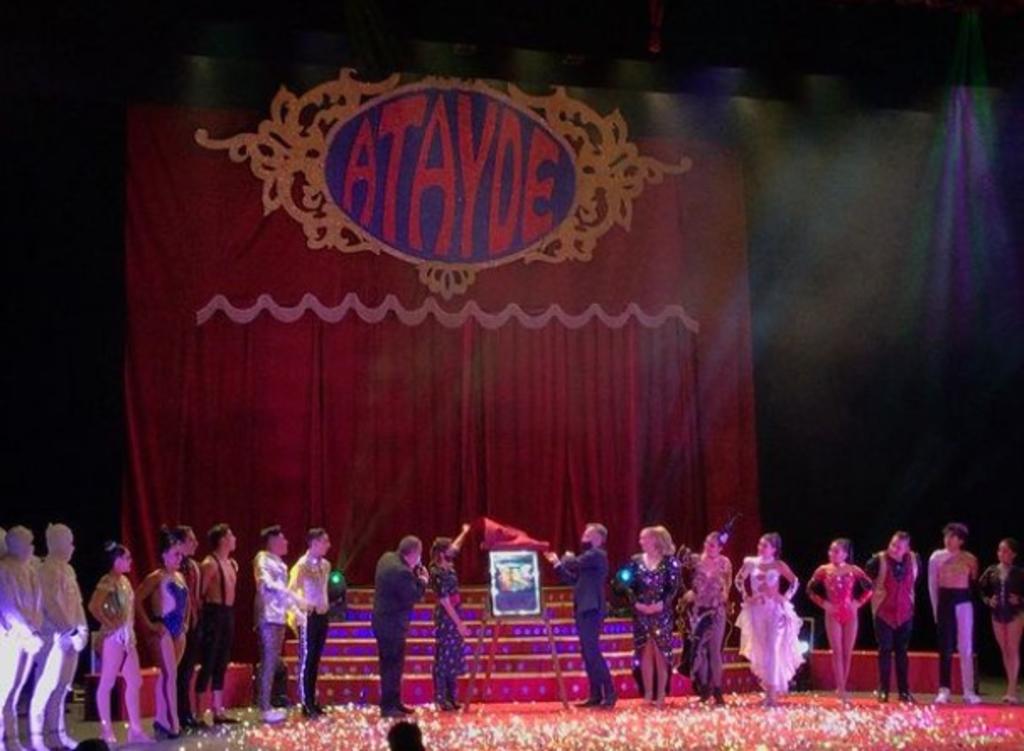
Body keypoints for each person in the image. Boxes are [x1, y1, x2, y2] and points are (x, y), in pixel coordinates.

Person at [86, 542, 152, 745]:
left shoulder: (124, 581)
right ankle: (106, 731)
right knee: (107, 682)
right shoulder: (107, 581)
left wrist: (127, 629)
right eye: (127, 558)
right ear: (116, 560)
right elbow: (94, 606)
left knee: (135, 681)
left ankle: (135, 729)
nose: (131, 561)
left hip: (127, 638)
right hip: (114, 639)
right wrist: (111, 625)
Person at [29, 524, 89, 747]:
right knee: (45, 687)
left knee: (63, 688)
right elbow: (50, 604)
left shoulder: (69, 570)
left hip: (70, 640)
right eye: (69, 542)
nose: (72, 547)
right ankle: (38, 736)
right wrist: (68, 629)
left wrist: (81, 629)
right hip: (52, 638)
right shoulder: (47, 570)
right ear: (57, 543)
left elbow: (78, 603)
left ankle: (58, 732)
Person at [545, 522, 616, 709]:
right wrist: (557, 564)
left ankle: (609, 693)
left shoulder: (597, 554)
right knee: (587, 652)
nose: (584, 535)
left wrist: (566, 558)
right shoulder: (588, 560)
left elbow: (573, 563)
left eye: (588, 533)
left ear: (598, 538)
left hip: (592, 608)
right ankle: (595, 695)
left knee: (592, 651)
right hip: (584, 608)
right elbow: (573, 580)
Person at [735, 532, 803, 707]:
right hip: (757, 611)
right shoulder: (751, 563)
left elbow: (794, 581)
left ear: (774, 549)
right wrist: (747, 597)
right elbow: (738, 580)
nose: (761, 548)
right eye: (760, 544)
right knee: (763, 649)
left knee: (772, 648)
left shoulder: (778, 565)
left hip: (774, 611)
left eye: (765, 545)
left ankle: (772, 694)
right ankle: (768, 691)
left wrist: (784, 597)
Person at [135, 528, 190, 739]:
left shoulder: (180, 576)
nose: (179, 558)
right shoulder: (156, 577)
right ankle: (173, 722)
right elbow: (136, 600)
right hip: (163, 628)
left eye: (180, 554)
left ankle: (161, 719)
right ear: (164, 554)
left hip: (178, 631)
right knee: (170, 675)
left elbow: (187, 602)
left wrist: (185, 622)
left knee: (168, 675)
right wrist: (149, 625)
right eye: (175, 554)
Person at [807, 538, 872, 704]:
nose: (832, 554)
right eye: (830, 550)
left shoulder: (854, 570)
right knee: (837, 650)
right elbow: (809, 590)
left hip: (850, 613)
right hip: (833, 613)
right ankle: (841, 689)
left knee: (847, 651)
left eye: (836, 551)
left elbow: (870, 588)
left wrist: (858, 603)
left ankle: (842, 686)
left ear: (845, 554)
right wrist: (825, 604)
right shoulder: (823, 570)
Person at [372, 536, 428, 718]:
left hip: (384, 621)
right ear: (413, 553)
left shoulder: (387, 557)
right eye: (419, 554)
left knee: (393, 665)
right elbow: (412, 596)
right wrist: (422, 581)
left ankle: (394, 701)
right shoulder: (401, 571)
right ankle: (388, 706)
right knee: (391, 666)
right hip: (391, 625)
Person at [625, 525, 682, 707]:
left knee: (660, 653)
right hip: (641, 613)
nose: (640, 541)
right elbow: (627, 585)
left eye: (644, 538)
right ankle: (648, 693)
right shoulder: (635, 561)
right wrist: (636, 604)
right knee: (645, 653)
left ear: (655, 540)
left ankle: (661, 694)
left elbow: (673, 588)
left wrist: (661, 604)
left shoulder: (670, 562)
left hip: (661, 613)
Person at [254, 525, 305, 723]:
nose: (286, 543)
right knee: (268, 661)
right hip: (267, 616)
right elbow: (265, 584)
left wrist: (295, 611)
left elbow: (283, 595)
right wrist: (292, 596)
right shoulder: (262, 559)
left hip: (278, 617)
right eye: (283, 539)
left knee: (273, 661)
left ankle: (268, 702)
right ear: (273, 541)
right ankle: (264, 707)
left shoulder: (281, 565)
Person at [0, 525, 44, 747]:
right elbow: (7, 606)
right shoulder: (4, 570)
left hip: (30, 639)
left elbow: (38, 604)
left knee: (15, 692)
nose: (32, 547)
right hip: (11, 637)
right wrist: (27, 632)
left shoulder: (30, 571)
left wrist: (35, 630)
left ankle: (13, 740)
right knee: (4, 691)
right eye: (28, 543)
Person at [928, 522, 980, 704]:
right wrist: (935, 609)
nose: (948, 540)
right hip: (945, 601)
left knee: (966, 647)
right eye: (946, 536)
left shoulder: (970, 559)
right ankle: (944, 689)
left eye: (953, 537)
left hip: (964, 601)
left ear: (961, 541)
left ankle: (969, 690)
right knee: (945, 647)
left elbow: (974, 583)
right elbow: (932, 584)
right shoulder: (936, 557)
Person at [865, 531, 919, 703]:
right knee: (885, 650)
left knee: (902, 651)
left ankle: (904, 691)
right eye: (892, 545)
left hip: (905, 613)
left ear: (907, 549)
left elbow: (913, 583)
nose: (894, 549)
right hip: (883, 613)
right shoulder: (877, 561)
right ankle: (883, 690)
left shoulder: (915, 560)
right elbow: (864, 583)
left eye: (899, 547)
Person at [681, 530, 733, 706]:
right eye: (706, 543)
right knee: (700, 651)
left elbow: (727, 583)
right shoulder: (696, 560)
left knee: (714, 651)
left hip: (716, 610)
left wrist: (725, 595)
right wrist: (689, 593)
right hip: (698, 611)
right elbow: (679, 566)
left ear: (720, 548)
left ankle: (717, 690)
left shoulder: (725, 562)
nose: (708, 547)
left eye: (712, 545)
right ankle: (704, 689)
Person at [196, 523, 239, 723]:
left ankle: (217, 709)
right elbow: (200, 593)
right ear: (222, 540)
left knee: (222, 661)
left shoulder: (230, 563)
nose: (234, 539)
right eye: (231, 535)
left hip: (227, 613)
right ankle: (198, 712)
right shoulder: (210, 563)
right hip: (213, 613)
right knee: (209, 660)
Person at [289, 528, 332, 717]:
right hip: (309, 616)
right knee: (307, 659)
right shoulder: (301, 566)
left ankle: (313, 699)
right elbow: (291, 591)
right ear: (314, 543)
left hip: (322, 615)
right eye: (324, 541)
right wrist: (304, 605)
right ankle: (305, 702)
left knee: (315, 659)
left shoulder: (326, 565)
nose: (328, 545)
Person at [429, 524, 472, 711]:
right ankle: (441, 698)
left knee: (453, 656)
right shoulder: (436, 572)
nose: (453, 552)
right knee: (444, 659)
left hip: (455, 612)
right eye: (448, 550)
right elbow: (445, 602)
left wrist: (464, 532)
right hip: (447, 617)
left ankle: (452, 697)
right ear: (441, 553)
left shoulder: (448, 565)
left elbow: (456, 546)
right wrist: (459, 624)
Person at [979, 538, 1024, 704]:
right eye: (1000, 550)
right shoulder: (991, 571)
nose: (1001, 553)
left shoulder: (1019, 572)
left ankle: (1011, 689)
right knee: (1004, 649)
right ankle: (1011, 684)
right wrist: (988, 600)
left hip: (1015, 613)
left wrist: (1019, 599)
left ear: (1013, 554)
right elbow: (979, 589)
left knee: (1013, 648)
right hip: (997, 614)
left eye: (1005, 551)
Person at [174, 525, 204, 730]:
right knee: (179, 670)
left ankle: (186, 712)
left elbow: (197, 595)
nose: (195, 543)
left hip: (193, 622)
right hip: (178, 624)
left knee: (188, 670)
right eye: (191, 540)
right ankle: (178, 714)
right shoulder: (174, 566)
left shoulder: (193, 565)